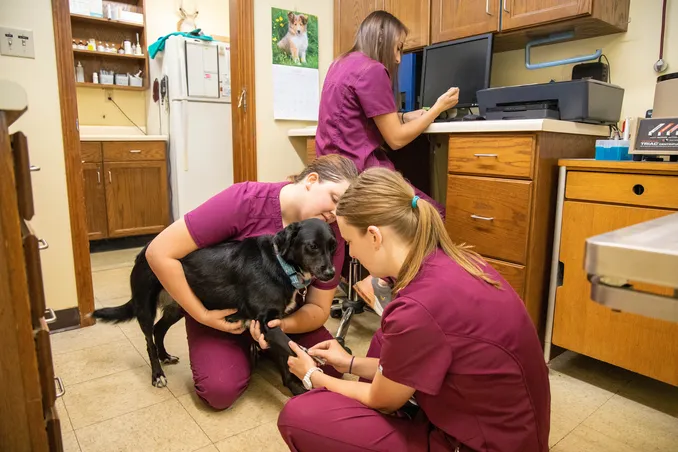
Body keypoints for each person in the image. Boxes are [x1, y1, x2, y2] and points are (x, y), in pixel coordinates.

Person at [277, 168, 551, 452]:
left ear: (374, 236)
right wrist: (347, 362)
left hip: (479, 444)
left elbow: (382, 397)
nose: (352, 255)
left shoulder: (418, 308)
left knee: (298, 417)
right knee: (384, 341)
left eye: (350, 243)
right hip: (514, 431)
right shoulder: (455, 261)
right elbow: (402, 364)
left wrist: (313, 375)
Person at [144, 155, 359, 410]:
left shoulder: (330, 235)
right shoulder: (244, 200)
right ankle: (252, 349)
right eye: (335, 199)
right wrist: (202, 314)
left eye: (341, 209)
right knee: (219, 390)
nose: (335, 214)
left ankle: (266, 346)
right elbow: (158, 252)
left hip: (281, 316)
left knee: (332, 373)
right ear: (312, 180)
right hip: (224, 315)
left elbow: (319, 309)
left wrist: (280, 325)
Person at [315, 10, 459, 307]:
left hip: (332, 169)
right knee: (432, 214)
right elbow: (395, 139)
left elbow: (363, 119)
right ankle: (383, 283)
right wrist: (435, 109)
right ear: (383, 41)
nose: (398, 58)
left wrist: (405, 115)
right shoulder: (372, 69)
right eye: (398, 48)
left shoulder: (340, 64)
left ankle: (378, 280)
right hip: (360, 172)